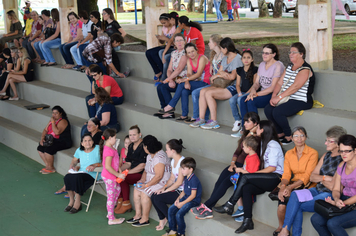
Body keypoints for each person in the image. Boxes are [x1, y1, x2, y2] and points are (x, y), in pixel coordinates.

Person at [214, 120, 284, 234]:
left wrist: (255, 174)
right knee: (246, 188)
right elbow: (247, 140)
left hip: (275, 177)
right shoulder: (263, 141)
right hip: (266, 177)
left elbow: (272, 168)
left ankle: (230, 204)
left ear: (262, 130)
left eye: (258, 127)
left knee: (246, 177)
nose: (256, 129)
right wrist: (252, 131)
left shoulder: (273, 145)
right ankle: (248, 221)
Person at [277, 126, 347, 236]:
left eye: (329, 141)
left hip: (328, 195)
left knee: (298, 206)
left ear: (338, 143)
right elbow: (312, 177)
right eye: (326, 140)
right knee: (295, 195)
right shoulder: (326, 155)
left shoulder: (343, 160)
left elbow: (334, 187)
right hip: (316, 190)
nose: (326, 143)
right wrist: (324, 178)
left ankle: (290, 232)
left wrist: (321, 179)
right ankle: (285, 229)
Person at [190, 112, 260, 219]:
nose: (244, 123)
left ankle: (207, 206)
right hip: (236, 165)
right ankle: (209, 208)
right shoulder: (246, 134)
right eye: (244, 121)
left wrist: (252, 133)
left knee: (225, 183)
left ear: (255, 124)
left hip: (243, 168)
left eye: (248, 121)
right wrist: (232, 164)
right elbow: (237, 152)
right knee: (219, 181)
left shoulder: (255, 139)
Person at [264, 42, 316, 145]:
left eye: (294, 52)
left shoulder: (305, 69)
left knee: (278, 112)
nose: (290, 54)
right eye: (290, 52)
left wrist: (278, 97)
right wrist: (274, 96)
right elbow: (279, 82)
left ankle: (288, 136)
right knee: (268, 109)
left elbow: (295, 87)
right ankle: (280, 133)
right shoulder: (289, 67)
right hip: (287, 97)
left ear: (301, 54)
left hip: (301, 100)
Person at [273, 126, 318, 236]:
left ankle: (286, 230)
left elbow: (307, 176)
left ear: (306, 137)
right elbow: (287, 174)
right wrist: (284, 186)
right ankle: (282, 228)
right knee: (281, 205)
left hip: (307, 185)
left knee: (294, 202)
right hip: (292, 183)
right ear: (292, 138)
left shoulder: (313, 153)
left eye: (302, 136)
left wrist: (290, 187)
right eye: (296, 136)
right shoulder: (289, 153)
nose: (299, 139)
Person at [190, 37, 243, 129]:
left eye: (222, 48)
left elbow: (232, 77)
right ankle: (201, 119)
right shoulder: (225, 57)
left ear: (226, 48)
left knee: (209, 93)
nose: (221, 50)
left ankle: (214, 121)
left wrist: (220, 74)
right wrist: (222, 74)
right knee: (203, 91)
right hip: (224, 84)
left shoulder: (237, 58)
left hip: (234, 86)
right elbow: (220, 72)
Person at [310, 134, 356, 236]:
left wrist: (342, 203)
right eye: (341, 151)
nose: (343, 154)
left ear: (355, 150)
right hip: (344, 201)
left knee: (333, 223)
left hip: (353, 204)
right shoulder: (342, 165)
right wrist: (336, 199)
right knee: (316, 219)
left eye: (347, 151)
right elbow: (336, 189)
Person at [127, 135, 171, 227]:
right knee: (137, 189)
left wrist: (146, 186)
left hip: (161, 182)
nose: (143, 147)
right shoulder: (149, 155)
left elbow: (159, 176)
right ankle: (138, 215)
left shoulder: (160, 157)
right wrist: (142, 180)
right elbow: (146, 171)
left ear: (147, 147)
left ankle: (145, 219)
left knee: (145, 192)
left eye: (144, 145)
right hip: (150, 181)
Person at [159, 43, 210, 120]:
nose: (191, 54)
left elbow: (198, 74)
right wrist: (186, 82)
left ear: (196, 50)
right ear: (186, 54)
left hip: (205, 82)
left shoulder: (202, 58)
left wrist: (184, 80)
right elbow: (189, 73)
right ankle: (184, 115)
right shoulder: (189, 60)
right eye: (189, 52)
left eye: (192, 51)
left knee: (181, 84)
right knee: (184, 91)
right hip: (196, 82)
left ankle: (171, 105)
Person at [239, 44, 284, 128]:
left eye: (267, 53)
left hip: (272, 94)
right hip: (262, 92)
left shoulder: (278, 65)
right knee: (243, 100)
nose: (264, 55)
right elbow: (256, 83)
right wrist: (252, 91)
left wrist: (255, 94)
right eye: (263, 53)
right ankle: (244, 127)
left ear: (273, 54)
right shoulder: (262, 64)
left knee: (251, 101)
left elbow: (272, 88)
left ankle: (255, 128)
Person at [54, 117, 102, 197]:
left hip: (94, 166)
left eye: (91, 125)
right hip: (85, 164)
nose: (88, 127)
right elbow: (79, 155)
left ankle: (71, 190)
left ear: (97, 126)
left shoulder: (99, 136)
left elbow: (96, 155)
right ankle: (68, 188)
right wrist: (73, 165)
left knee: (77, 173)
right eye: (87, 125)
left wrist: (79, 164)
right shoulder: (89, 135)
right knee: (71, 171)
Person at [187, 34, 223, 124]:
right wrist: (211, 64)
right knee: (196, 92)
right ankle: (201, 118)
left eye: (210, 42)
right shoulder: (214, 55)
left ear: (215, 43)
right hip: (213, 82)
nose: (208, 44)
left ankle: (202, 118)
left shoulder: (223, 55)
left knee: (199, 92)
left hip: (220, 83)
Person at [151, 139, 185, 230]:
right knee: (154, 195)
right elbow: (172, 179)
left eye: (167, 149)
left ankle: (173, 222)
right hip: (176, 190)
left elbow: (179, 182)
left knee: (158, 198)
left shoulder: (182, 162)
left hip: (182, 192)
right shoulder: (173, 161)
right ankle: (162, 219)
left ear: (173, 151)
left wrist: (165, 190)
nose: (166, 151)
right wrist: (163, 188)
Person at [63, 134, 101, 214]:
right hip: (81, 172)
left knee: (78, 178)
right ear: (82, 143)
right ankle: (71, 201)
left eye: (90, 140)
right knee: (67, 177)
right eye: (85, 141)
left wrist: (95, 165)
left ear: (93, 141)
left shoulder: (98, 148)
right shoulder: (79, 150)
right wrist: (72, 166)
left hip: (94, 174)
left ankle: (77, 202)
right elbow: (74, 160)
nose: (87, 143)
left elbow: (106, 162)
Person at [164, 157, 202, 236]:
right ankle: (173, 230)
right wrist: (178, 199)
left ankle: (181, 233)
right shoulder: (186, 177)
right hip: (186, 198)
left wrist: (182, 203)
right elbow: (184, 191)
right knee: (171, 210)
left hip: (193, 201)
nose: (181, 171)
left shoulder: (194, 179)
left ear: (191, 169)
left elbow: (193, 195)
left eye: (184, 169)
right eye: (181, 169)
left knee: (179, 214)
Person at [115, 125, 147, 214]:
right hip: (132, 171)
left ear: (140, 134)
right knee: (117, 176)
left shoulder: (143, 146)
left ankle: (126, 203)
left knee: (122, 178)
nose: (132, 137)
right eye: (130, 135)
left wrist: (127, 173)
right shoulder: (130, 146)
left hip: (142, 173)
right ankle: (120, 201)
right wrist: (119, 170)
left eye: (134, 135)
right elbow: (128, 163)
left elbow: (142, 166)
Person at [154, 33, 187, 113]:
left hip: (183, 80)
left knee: (163, 87)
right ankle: (165, 108)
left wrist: (168, 79)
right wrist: (171, 80)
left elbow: (179, 69)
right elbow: (169, 69)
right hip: (174, 79)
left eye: (181, 40)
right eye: (177, 41)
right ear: (174, 43)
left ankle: (169, 110)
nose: (179, 42)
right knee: (159, 87)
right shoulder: (174, 53)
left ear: (184, 42)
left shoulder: (186, 53)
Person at [100, 128, 126, 225]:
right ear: (110, 138)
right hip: (109, 177)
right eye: (115, 137)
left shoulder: (111, 147)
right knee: (111, 197)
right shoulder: (108, 150)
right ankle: (111, 218)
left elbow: (114, 162)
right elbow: (107, 166)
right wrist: (118, 174)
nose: (115, 139)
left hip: (112, 176)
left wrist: (118, 169)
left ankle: (110, 212)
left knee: (117, 190)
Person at [230, 49, 258, 137]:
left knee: (240, 100)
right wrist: (239, 93)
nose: (246, 59)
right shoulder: (239, 70)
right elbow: (237, 84)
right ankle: (237, 120)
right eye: (244, 58)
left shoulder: (255, 70)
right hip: (241, 91)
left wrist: (245, 95)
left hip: (251, 91)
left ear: (252, 59)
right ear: (241, 59)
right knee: (231, 100)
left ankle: (244, 124)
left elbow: (254, 85)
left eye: (248, 58)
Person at [37, 106, 72, 174]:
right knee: (40, 148)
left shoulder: (63, 121)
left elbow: (57, 132)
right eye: (53, 113)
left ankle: (51, 168)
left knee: (48, 150)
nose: (54, 115)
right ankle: (47, 166)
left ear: (60, 113)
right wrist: (42, 139)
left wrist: (53, 122)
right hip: (53, 140)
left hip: (63, 142)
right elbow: (45, 130)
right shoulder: (52, 120)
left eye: (56, 113)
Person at [146, 13, 176, 82]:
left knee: (156, 53)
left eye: (164, 23)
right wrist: (160, 38)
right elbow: (162, 42)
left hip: (173, 47)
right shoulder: (164, 28)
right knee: (148, 52)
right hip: (166, 46)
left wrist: (165, 38)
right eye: (162, 23)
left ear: (169, 20)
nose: (164, 25)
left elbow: (175, 43)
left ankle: (163, 72)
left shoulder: (175, 28)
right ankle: (157, 71)